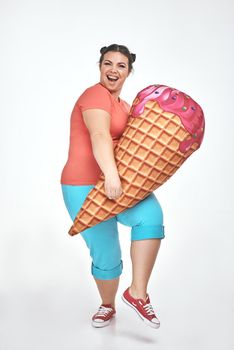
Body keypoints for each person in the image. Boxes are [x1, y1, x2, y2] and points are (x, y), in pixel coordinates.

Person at [60, 44, 165, 329]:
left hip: (115, 180)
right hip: (83, 183)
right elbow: (99, 135)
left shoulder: (124, 106)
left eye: (121, 66)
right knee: (106, 255)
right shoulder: (95, 95)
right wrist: (111, 175)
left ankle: (137, 293)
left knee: (150, 216)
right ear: (100, 66)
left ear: (129, 72)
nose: (113, 70)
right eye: (108, 63)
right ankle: (108, 306)